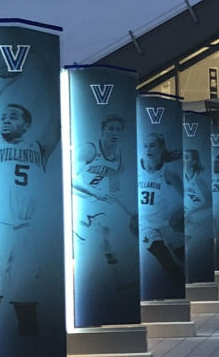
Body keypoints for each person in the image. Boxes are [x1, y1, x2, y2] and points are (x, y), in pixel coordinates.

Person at [0, 82, 58, 353]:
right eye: (3, 116)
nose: (5, 119)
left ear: (27, 125)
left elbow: (56, 125)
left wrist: (50, 83)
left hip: (27, 229)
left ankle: (29, 353)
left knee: (26, 299)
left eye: (13, 116)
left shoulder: (39, 147)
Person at [73, 115, 131, 267]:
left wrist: (129, 211)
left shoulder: (120, 157)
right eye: (110, 129)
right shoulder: (89, 149)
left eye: (118, 130)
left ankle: (112, 270)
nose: (114, 133)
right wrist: (94, 192)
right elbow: (70, 178)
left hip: (96, 200)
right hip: (77, 198)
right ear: (102, 131)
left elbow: (114, 189)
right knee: (93, 235)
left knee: (107, 230)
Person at [138, 131, 184, 285]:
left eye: (152, 145)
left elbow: (187, 197)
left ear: (162, 147)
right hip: (145, 224)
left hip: (166, 221)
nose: (147, 149)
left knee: (182, 254)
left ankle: (185, 288)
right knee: (165, 259)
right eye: (145, 146)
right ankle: (176, 286)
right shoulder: (136, 169)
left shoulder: (168, 173)